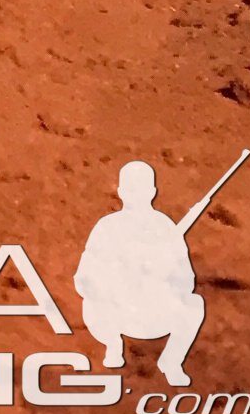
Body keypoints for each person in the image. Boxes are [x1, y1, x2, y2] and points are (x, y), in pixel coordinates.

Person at [76, 160, 209, 386]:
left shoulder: (166, 228)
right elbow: (84, 278)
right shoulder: (107, 227)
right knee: (90, 302)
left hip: (154, 314)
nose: (136, 194)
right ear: (120, 192)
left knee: (194, 304)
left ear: (152, 192)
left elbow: (186, 280)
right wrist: (114, 279)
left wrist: (160, 275)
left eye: (141, 188)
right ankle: (113, 344)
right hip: (115, 314)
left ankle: (172, 361)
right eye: (131, 189)